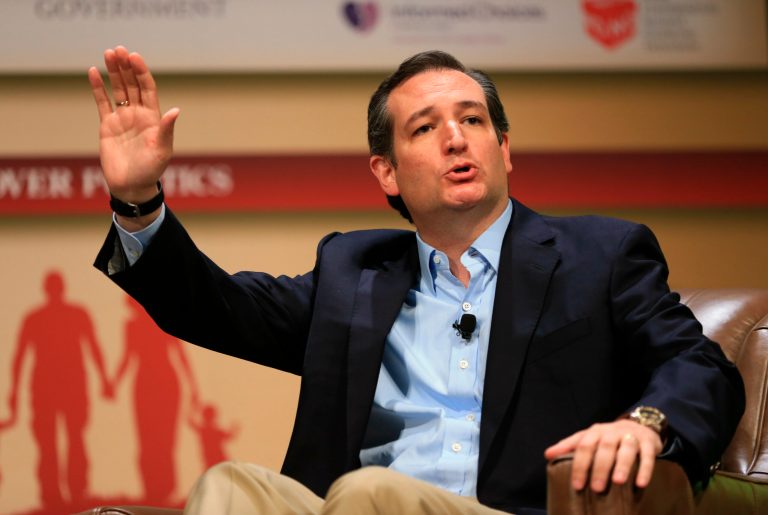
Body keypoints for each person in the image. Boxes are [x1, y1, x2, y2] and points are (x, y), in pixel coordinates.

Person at [87, 46, 744, 514]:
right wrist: (138, 199)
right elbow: (213, 306)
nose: (456, 139)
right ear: (387, 173)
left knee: (369, 491)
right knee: (233, 487)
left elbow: (700, 366)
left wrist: (645, 424)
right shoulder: (353, 271)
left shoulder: (600, 255)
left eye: (473, 120)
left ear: (504, 149)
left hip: (503, 508)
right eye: (426, 128)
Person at [7, 270, 114, 509]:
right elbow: (20, 356)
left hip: (65, 386)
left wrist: (104, 379)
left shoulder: (44, 317)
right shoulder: (45, 317)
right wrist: (104, 379)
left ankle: (69, 494)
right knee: (55, 442)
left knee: (67, 440)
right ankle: (57, 495)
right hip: (51, 388)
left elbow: (92, 346)